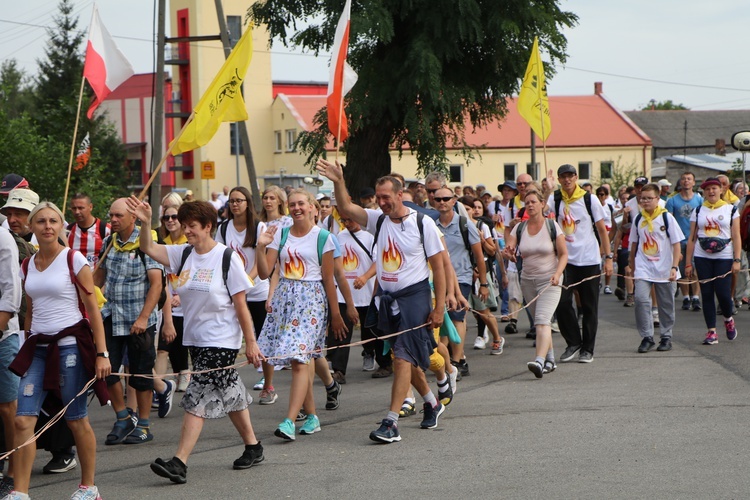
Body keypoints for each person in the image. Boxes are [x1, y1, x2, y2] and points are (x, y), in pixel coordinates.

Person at [124, 197, 265, 484]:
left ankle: (179, 462)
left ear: (209, 226)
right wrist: (145, 222)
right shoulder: (183, 254)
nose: (187, 230)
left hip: (223, 339)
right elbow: (147, 247)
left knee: (197, 396)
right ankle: (253, 446)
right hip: (196, 339)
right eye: (184, 225)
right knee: (230, 393)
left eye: (193, 226)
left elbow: (241, 305)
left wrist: (250, 343)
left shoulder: (227, 258)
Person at [317, 159, 447, 443]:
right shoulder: (379, 220)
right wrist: (339, 181)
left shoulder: (422, 223)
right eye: (379, 198)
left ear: (401, 194)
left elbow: (439, 267)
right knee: (404, 358)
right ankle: (431, 402)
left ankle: (390, 422)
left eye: (387, 197)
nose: (382, 202)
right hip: (386, 300)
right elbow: (347, 209)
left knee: (401, 356)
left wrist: (440, 308)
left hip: (415, 298)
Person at [8, 201, 110, 500]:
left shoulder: (74, 260)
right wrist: (26, 343)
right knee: (22, 420)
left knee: (75, 418)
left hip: (70, 347)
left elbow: (92, 309)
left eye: (53, 221)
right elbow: (31, 309)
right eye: (41, 222)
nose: (47, 226)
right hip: (38, 347)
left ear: (60, 226)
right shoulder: (27, 264)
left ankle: (88, 487)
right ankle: (20, 491)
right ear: (32, 227)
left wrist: (102, 353)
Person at [256, 189, 346, 440]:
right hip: (285, 299)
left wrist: (336, 314)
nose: (296, 208)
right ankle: (313, 416)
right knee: (300, 359)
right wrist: (260, 247)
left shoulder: (324, 237)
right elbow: (264, 273)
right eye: (292, 204)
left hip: (311, 301)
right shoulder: (281, 235)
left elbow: (329, 279)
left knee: (298, 359)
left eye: (301, 204)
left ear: (311, 207)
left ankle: (288, 420)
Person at [94, 199, 163, 445]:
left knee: (141, 375)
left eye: (118, 216)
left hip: (138, 320)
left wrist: (144, 317)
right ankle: (123, 417)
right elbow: (97, 280)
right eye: (111, 215)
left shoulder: (147, 242)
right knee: (107, 371)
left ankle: (143, 425)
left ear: (133, 217)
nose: (112, 220)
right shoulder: (108, 242)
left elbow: (156, 284)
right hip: (111, 317)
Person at [548, 164, 612, 363]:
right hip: (566, 260)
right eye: (563, 177)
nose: (567, 180)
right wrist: (546, 190)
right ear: (559, 179)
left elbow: (602, 230)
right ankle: (573, 342)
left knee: (589, 306)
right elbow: (543, 216)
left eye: (570, 176)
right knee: (562, 301)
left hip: (589, 259)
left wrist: (608, 258)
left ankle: (588, 349)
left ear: (576, 177)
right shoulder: (555, 198)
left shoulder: (589, 198)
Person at [215, 187, 272, 402]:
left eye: (239, 200)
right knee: (228, 337)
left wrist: (246, 281)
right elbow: (219, 258)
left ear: (248, 203)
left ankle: (268, 385)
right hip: (233, 293)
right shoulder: (223, 228)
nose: (235, 204)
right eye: (231, 201)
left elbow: (261, 261)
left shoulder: (258, 227)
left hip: (256, 290)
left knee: (262, 339)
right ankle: (225, 384)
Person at [504, 189, 567, 377]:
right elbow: (510, 248)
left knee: (541, 321)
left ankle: (539, 361)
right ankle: (551, 360)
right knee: (543, 323)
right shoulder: (519, 228)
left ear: (541, 204)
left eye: (533, 201)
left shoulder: (552, 226)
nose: (529, 205)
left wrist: (557, 274)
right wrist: (508, 254)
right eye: (526, 202)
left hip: (550, 280)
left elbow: (563, 254)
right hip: (527, 281)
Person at [628, 183, 684, 353]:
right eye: (642, 198)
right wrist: (632, 264)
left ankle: (666, 336)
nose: (645, 201)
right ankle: (647, 337)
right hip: (644, 268)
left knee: (666, 303)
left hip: (665, 269)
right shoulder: (639, 219)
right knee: (641, 300)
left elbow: (676, 244)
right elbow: (634, 243)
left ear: (657, 199)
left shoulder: (667, 218)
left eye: (649, 198)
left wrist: (674, 266)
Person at [685, 177, 742, 345]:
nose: (711, 191)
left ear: (721, 190)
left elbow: (736, 236)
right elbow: (691, 238)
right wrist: (688, 263)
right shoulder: (698, 211)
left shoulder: (731, 210)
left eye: (714, 188)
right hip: (702, 257)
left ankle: (728, 318)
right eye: (707, 189)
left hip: (723, 257)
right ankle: (712, 331)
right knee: (707, 293)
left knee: (724, 294)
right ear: (703, 192)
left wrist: (737, 259)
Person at [325, 215, 377, 380]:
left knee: (372, 329)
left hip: (367, 292)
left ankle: (376, 357)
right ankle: (339, 370)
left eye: (350, 219)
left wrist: (365, 277)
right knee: (341, 331)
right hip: (344, 294)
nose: (347, 224)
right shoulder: (339, 238)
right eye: (343, 221)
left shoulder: (371, 236)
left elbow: (379, 262)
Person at [460, 196, 505, 354]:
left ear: (473, 210)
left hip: (481, 273)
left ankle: (497, 338)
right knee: (461, 314)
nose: (464, 212)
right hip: (464, 272)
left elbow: (492, 250)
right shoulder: (458, 226)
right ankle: (458, 351)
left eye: (467, 209)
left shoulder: (481, 226)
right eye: (462, 209)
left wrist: (481, 240)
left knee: (484, 312)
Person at [157, 196, 190, 394]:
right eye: (166, 217)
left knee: (182, 343)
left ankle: (184, 371)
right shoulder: (162, 243)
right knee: (163, 347)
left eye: (174, 217)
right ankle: (159, 389)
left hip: (187, 301)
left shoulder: (190, 242)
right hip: (168, 301)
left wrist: (182, 296)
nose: (170, 221)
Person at [0, 226, 21, 497]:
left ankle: (14, 472)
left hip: (3, 335)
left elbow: (11, 288)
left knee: (8, 408)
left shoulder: (2, 236)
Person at [665, 172, 702, 311]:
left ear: (693, 183)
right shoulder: (672, 201)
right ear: (680, 182)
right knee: (681, 269)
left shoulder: (699, 200)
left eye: (689, 179)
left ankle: (696, 297)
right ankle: (686, 297)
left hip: (695, 239)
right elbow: (668, 221)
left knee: (694, 269)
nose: (686, 181)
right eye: (683, 179)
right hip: (679, 240)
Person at [67, 193, 110, 268]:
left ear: (90, 207)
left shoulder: (106, 229)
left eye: (81, 208)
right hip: (73, 278)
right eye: (74, 208)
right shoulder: (68, 231)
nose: (77, 212)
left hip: (96, 277)